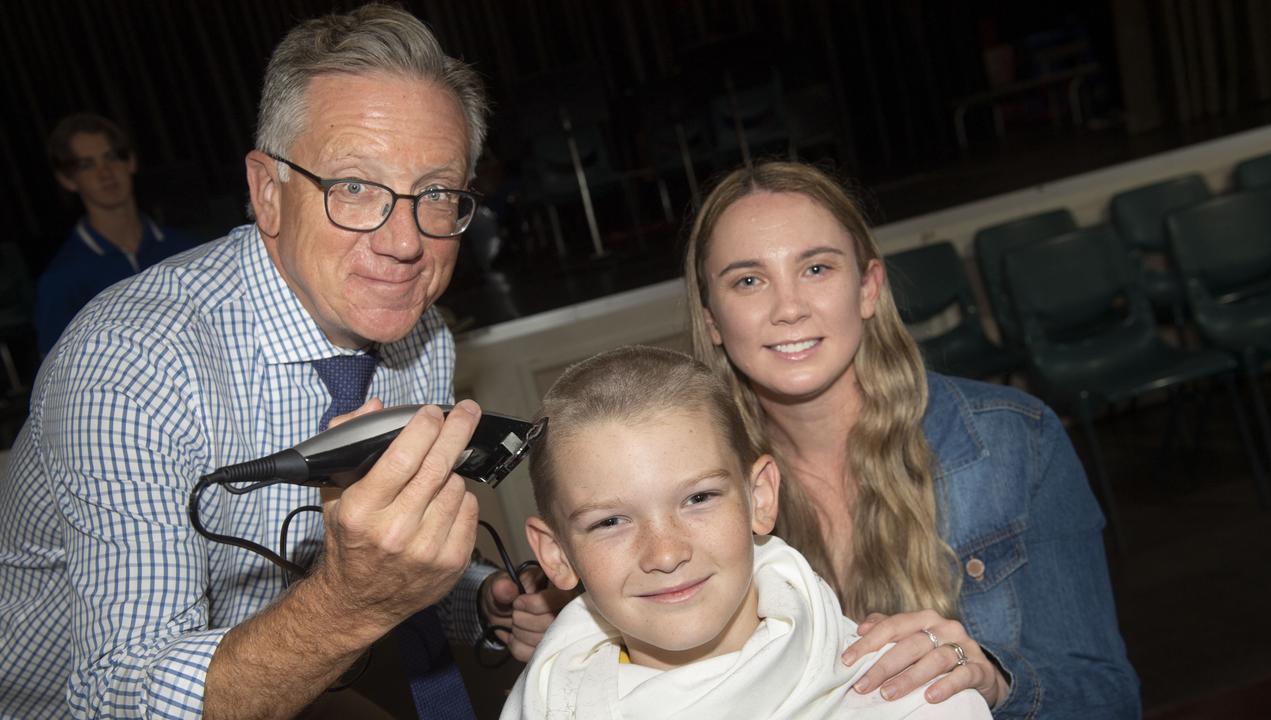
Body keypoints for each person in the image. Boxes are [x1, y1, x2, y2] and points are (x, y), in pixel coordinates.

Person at [0, 6, 567, 718]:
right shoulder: (131, 364)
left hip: (288, 670)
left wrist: (483, 599)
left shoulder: (420, 336)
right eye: (355, 187)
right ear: (268, 192)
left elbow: (370, 568)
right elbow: (118, 694)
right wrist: (347, 607)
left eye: (436, 193)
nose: (403, 242)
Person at [682, 161, 1141, 719]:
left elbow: (1110, 701)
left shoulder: (1015, 440)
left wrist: (993, 681)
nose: (789, 308)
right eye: (749, 281)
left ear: (868, 288)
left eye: (817, 268)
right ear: (712, 321)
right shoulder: (688, 492)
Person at [505, 345, 991, 719]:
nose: (666, 552)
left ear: (759, 497)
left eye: (698, 499)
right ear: (556, 554)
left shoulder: (916, 700)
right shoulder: (545, 704)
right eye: (610, 522)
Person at [36, 113, 203, 355]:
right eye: (87, 165)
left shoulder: (186, 249)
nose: (105, 173)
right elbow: (56, 375)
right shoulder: (62, 279)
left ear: (131, 162)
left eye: (111, 158)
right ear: (68, 180)